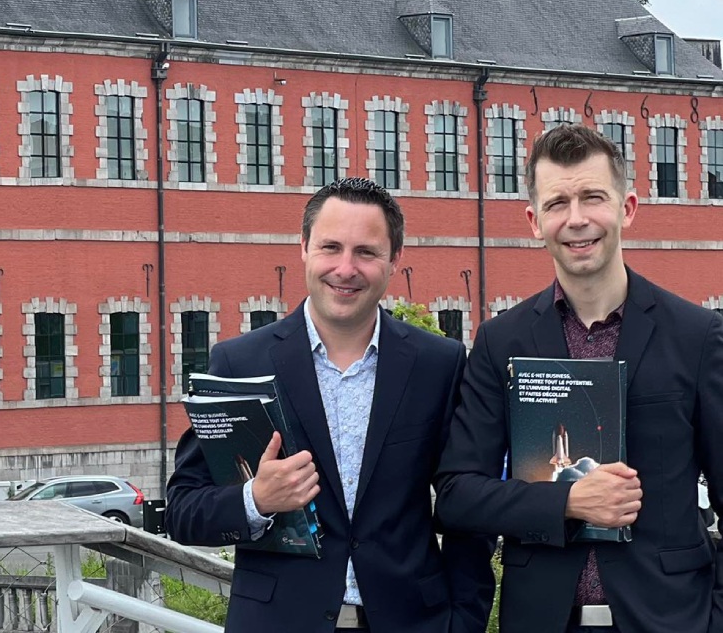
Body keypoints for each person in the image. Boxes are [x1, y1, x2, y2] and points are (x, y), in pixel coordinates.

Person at [166, 177, 495, 633]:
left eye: (366, 252)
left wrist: (465, 622)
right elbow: (183, 509)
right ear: (303, 247)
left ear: (395, 260)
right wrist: (255, 500)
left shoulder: (439, 364)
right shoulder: (238, 362)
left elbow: (467, 507)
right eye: (330, 247)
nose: (346, 268)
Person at [434, 123, 723, 633]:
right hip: (544, 619)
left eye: (593, 197)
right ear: (533, 220)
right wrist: (565, 499)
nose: (577, 219)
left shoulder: (697, 336)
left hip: (672, 618)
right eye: (557, 203)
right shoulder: (502, 342)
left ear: (627, 207)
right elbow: (458, 495)